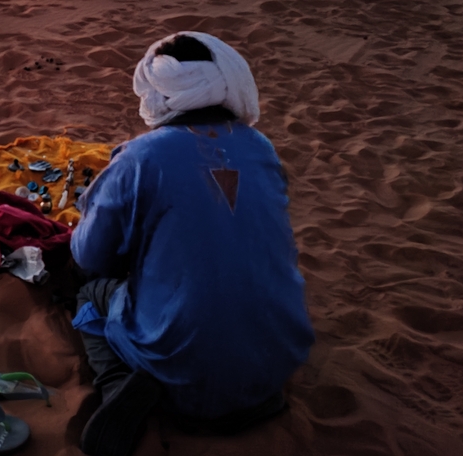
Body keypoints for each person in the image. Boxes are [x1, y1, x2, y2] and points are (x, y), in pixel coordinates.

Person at [70, 31, 315, 456]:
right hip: (279, 360)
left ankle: (118, 388)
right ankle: (255, 386)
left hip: (184, 366)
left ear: (158, 91)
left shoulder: (140, 156)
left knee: (91, 294)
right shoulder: (262, 148)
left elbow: (89, 255)